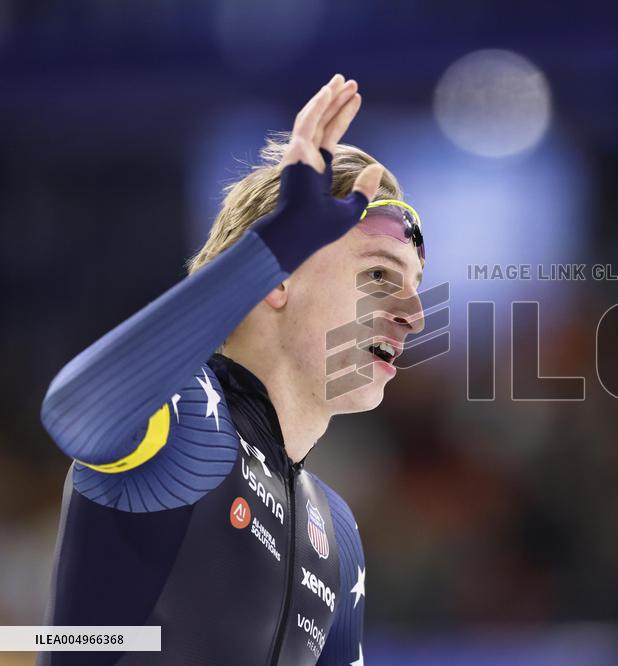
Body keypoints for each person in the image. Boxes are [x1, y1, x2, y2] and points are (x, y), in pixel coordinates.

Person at [37, 73, 426, 665]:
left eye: (413, 286)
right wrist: (275, 244)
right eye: (378, 276)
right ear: (278, 281)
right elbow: (73, 411)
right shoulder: (188, 419)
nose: (415, 316)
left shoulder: (337, 534)